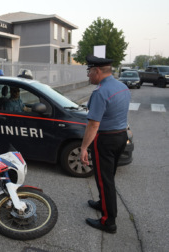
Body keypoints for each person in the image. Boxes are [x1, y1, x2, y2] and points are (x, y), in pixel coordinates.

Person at [80, 55, 131, 234]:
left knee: (104, 180)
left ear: (98, 71)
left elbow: (94, 124)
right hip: (120, 136)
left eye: (89, 71)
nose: (88, 75)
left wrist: (84, 147)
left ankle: (108, 221)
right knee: (108, 177)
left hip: (105, 140)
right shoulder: (122, 87)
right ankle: (103, 204)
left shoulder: (100, 92)